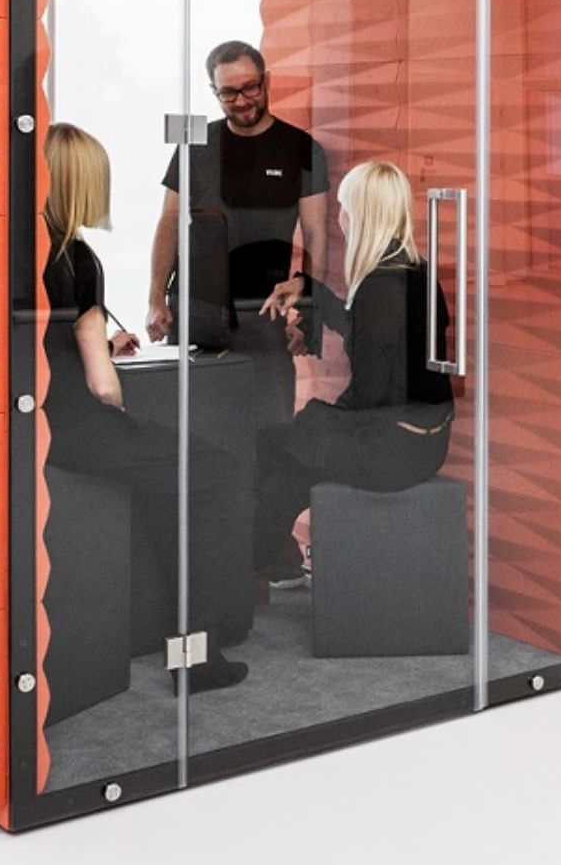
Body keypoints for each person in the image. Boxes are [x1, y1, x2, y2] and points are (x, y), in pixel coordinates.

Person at [42, 122, 250, 692]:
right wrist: (105, 361)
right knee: (217, 473)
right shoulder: (78, 260)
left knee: (172, 488)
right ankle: (197, 656)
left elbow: (48, 343)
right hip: (81, 429)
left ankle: (163, 629)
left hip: (41, 426)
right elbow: (103, 387)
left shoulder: (23, 250)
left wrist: (98, 343)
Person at [254, 160, 455, 588]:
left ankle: (254, 565)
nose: (339, 218)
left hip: (392, 451)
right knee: (291, 453)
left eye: (344, 207)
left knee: (278, 447)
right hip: (427, 440)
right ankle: (271, 560)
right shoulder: (416, 272)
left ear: (361, 214)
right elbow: (374, 340)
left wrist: (319, 421)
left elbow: (369, 394)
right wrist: (309, 288)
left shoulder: (379, 287)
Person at [146, 40, 330, 441]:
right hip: (195, 312)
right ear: (215, 93)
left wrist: (310, 310)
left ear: (266, 83)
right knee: (191, 436)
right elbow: (169, 221)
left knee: (269, 432)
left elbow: (317, 232)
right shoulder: (196, 146)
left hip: (263, 319)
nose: (242, 100)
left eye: (250, 87)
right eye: (229, 92)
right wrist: (155, 299)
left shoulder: (301, 149)